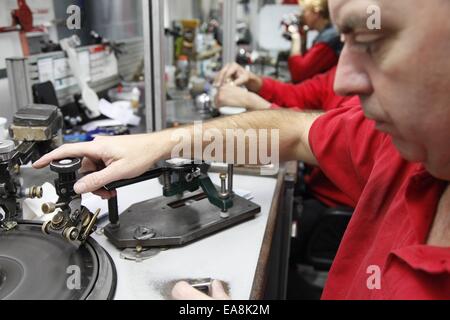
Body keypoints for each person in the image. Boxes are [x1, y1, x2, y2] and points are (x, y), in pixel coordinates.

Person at [34, 0, 450, 299]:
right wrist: (162, 143)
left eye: (372, 38)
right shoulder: (399, 147)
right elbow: (297, 132)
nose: (341, 83)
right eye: (346, 42)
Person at [288, 0, 342, 83]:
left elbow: (299, 74)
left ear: (316, 13)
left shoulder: (328, 40)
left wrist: (296, 37)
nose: (301, 15)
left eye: (305, 11)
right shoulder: (328, 35)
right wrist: (303, 38)